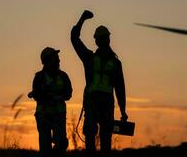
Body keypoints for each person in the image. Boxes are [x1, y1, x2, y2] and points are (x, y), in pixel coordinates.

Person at [71, 10, 128, 156]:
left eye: (104, 38)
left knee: (105, 138)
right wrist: (82, 19)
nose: (102, 41)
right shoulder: (89, 57)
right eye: (101, 38)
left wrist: (123, 110)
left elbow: (120, 88)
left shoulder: (115, 63)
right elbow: (74, 38)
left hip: (106, 103)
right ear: (97, 40)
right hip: (93, 102)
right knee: (91, 137)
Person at [28, 47, 73, 157]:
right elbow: (36, 96)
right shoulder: (39, 77)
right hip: (43, 116)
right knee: (45, 148)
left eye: (58, 57)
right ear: (46, 60)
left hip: (59, 115)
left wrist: (58, 97)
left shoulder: (63, 76)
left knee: (61, 144)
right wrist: (47, 95)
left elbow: (68, 94)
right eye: (55, 57)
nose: (58, 60)